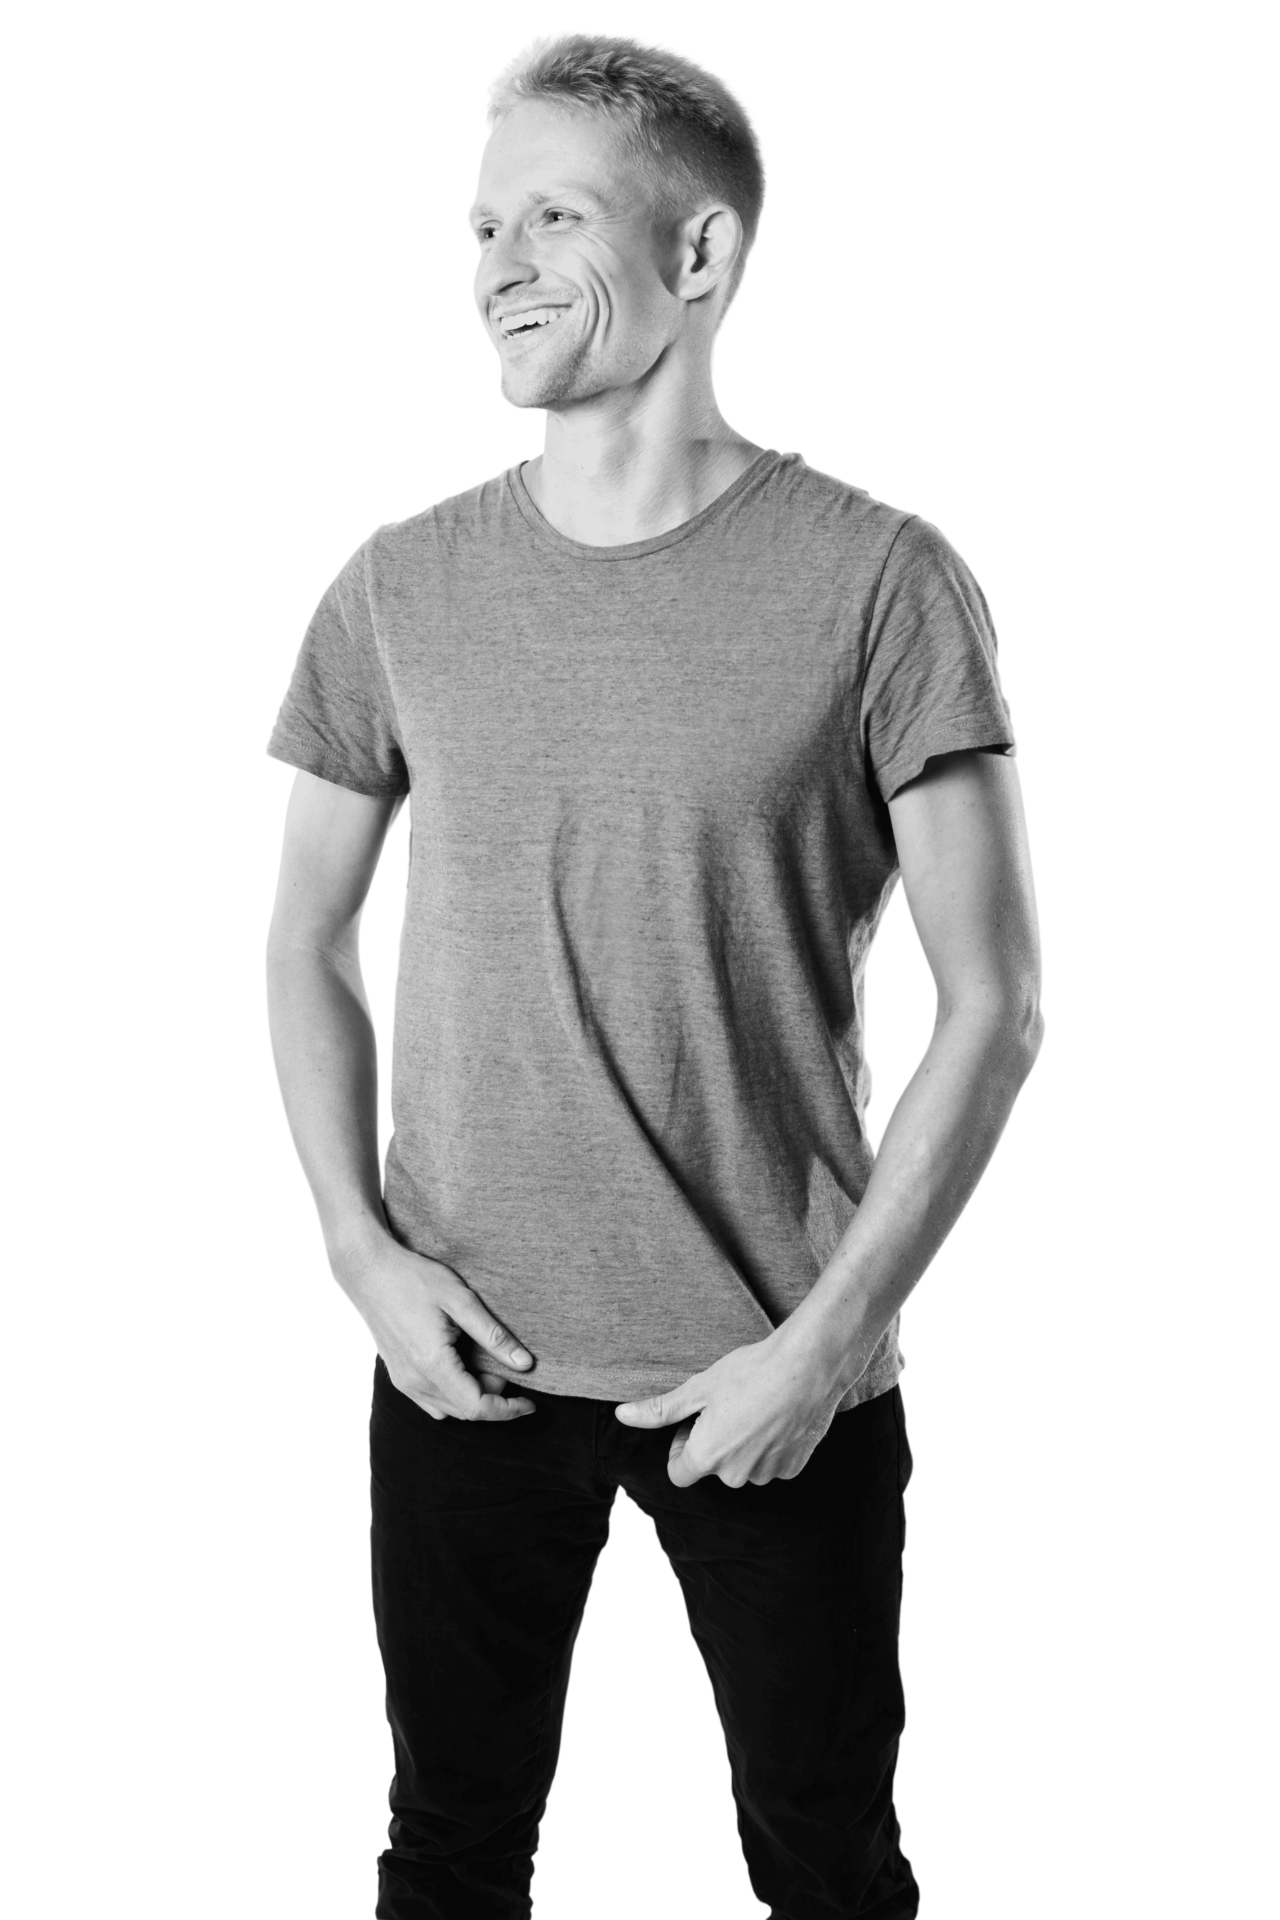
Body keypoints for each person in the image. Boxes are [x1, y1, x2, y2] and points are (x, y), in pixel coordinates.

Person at [263, 30, 1045, 1920]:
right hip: (457, 1362)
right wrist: (365, 1259)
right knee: (445, 1857)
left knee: (828, 1872)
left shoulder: (885, 579)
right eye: (480, 227)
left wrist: (830, 1347)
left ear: (702, 255)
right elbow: (303, 939)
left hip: (770, 1367)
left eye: (552, 217)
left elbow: (998, 1003)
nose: (496, 266)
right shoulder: (397, 582)